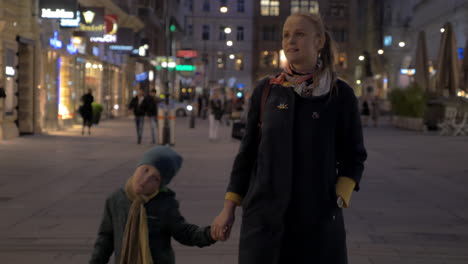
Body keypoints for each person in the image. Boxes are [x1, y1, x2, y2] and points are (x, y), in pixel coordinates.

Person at [211, 12, 367, 264]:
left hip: (317, 220)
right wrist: (229, 208)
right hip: (263, 220)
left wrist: (338, 196)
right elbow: (248, 153)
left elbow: (354, 154)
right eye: (286, 34)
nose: (290, 40)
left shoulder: (340, 94)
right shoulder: (267, 90)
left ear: (319, 41)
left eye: (299, 34)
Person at [90, 146, 217, 264]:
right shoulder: (115, 199)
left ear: (160, 186)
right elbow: (105, 238)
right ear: (137, 168)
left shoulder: (165, 204)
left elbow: (184, 232)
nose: (145, 180)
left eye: (155, 178)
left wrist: (210, 233)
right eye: (145, 170)